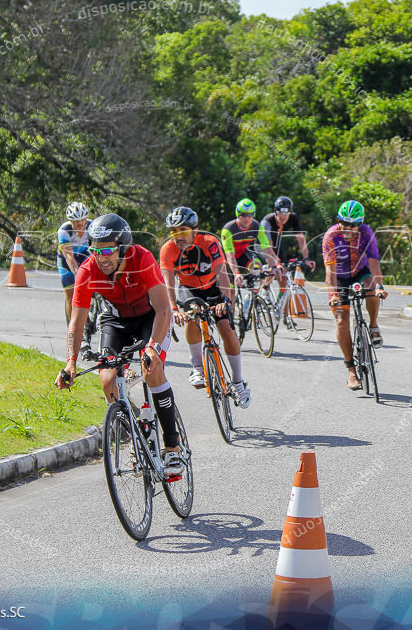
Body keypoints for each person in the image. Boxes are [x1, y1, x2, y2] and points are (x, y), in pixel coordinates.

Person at [55, 213, 184, 475]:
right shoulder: (88, 270)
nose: (100, 257)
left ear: (122, 248)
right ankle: (137, 439)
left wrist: (153, 347)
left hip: (151, 317)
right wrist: (70, 362)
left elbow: (163, 309)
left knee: (152, 370)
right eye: (95, 250)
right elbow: (77, 322)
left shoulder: (142, 258)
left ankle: (173, 448)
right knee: (107, 380)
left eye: (106, 251)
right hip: (116, 321)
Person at [160, 206, 251, 407]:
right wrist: (174, 310)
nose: (178, 236)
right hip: (189, 289)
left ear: (194, 230)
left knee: (226, 329)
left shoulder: (209, 242)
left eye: (182, 231)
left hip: (214, 288)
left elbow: (223, 274)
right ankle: (198, 368)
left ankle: (238, 382)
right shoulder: (168, 249)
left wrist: (226, 301)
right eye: (173, 232)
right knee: (192, 317)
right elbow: (168, 283)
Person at [324, 200, 388, 390]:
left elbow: (374, 264)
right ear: (338, 220)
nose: (349, 228)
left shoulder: (367, 233)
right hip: (340, 278)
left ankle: (373, 324)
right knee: (342, 320)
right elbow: (330, 272)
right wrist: (333, 294)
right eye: (345, 223)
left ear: (359, 224)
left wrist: (379, 286)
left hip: (361, 272)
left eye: (353, 225)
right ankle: (351, 370)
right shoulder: (330, 237)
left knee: (372, 287)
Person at [221, 198, 281, 288]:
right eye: (243, 215)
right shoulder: (228, 229)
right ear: (238, 214)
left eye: (250, 215)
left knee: (258, 268)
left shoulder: (257, 227)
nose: (247, 218)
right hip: (226, 257)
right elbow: (230, 255)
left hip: (242, 253)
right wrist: (236, 273)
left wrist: (274, 267)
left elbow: (267, 249)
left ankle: (255, 296)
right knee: (231, 289)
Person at [260, 195, 314, 293]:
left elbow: (301, 240)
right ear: (275, 211)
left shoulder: (293, 218)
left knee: (283, 276)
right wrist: (276, 263)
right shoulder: (267, 221)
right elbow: (268, 245)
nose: (283, 216)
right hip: (263, 245)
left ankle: (281, 306)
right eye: (280, 212)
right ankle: (265, 291)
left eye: (286, 213)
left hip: (277, 242)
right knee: (273, 268)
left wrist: (306, 258)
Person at [57, 202, 91, 322]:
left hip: (84, 256)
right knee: (71, 296)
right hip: (66, 261)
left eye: (82, 219)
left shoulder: (92, 227)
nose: (80, 223)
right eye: (76, 221)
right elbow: (69, 257)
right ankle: (72, 327)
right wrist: (78, 274)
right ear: (70, 221)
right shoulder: (64, 231)